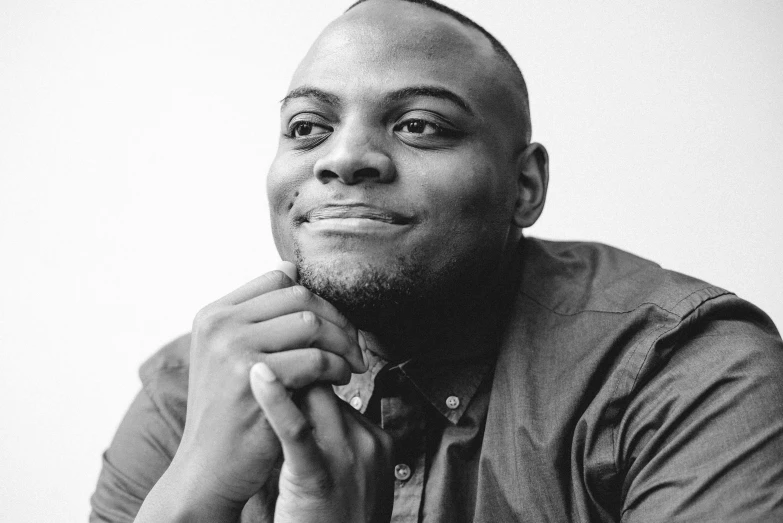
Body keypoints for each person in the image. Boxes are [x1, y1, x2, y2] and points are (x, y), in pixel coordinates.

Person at [90, 0, 783, 521]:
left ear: (524, 187)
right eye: (307, 127)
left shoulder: (685, 373)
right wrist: (189, 496)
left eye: (418, 124)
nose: (342, 158)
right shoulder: (191, 394)